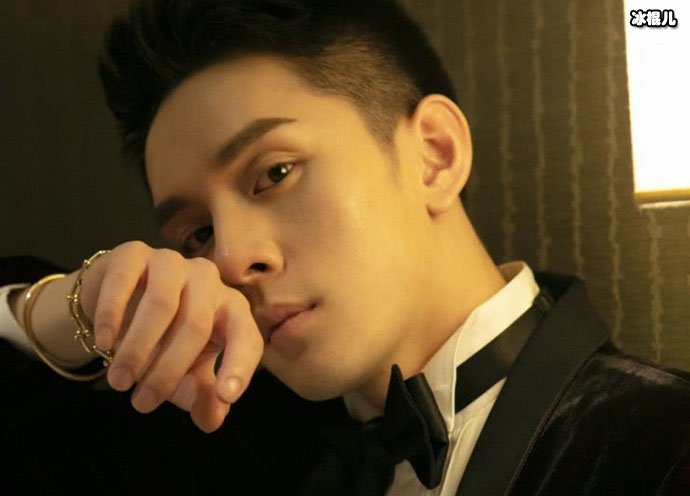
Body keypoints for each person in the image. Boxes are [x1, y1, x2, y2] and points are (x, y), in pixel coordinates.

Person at [1, 0, 689, 494]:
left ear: (434, 155)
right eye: (198, 234)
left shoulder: (663, 444)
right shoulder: (224, 441)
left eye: (275, 173)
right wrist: (68, 310)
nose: (230, 260)